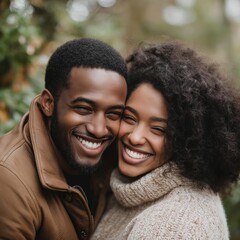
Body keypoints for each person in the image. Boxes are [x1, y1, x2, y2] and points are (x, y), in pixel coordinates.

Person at [91, 42, 240, 239]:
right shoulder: (126, 188)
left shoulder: (176, 223)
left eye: (158, 129)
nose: (135, 137)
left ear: (188, 140)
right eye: (129, 118)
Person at [0, 38, 127, 240]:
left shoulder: (118, 158)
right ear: (48, 103)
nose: (99, 130)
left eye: (113, 114)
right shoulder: (8, 179)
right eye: (84, 109)